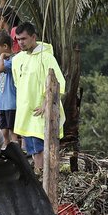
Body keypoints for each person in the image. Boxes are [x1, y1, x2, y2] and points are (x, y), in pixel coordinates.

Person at [13, 22, 65, 171]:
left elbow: (58, 83)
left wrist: (46, 103)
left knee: (40, 145)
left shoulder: (47, 58)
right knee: (32, 147)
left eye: (24, 38)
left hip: (41, 111)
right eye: (18, 39)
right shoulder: (18, 59)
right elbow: (18, 83)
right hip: (25, 111)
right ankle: (39, 174)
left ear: (33, 37)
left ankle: (42, 175)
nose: (21, 42)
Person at [0, 30, 18, 144]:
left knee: (13, 132)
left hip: (11, 103)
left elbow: (0, 68)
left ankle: (18, 153)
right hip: (2, 103)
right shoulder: (5, 61)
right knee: (4, 133)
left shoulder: (12, 60)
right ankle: (7, 153)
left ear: (5, 46)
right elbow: (4, 77)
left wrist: (2, 55)